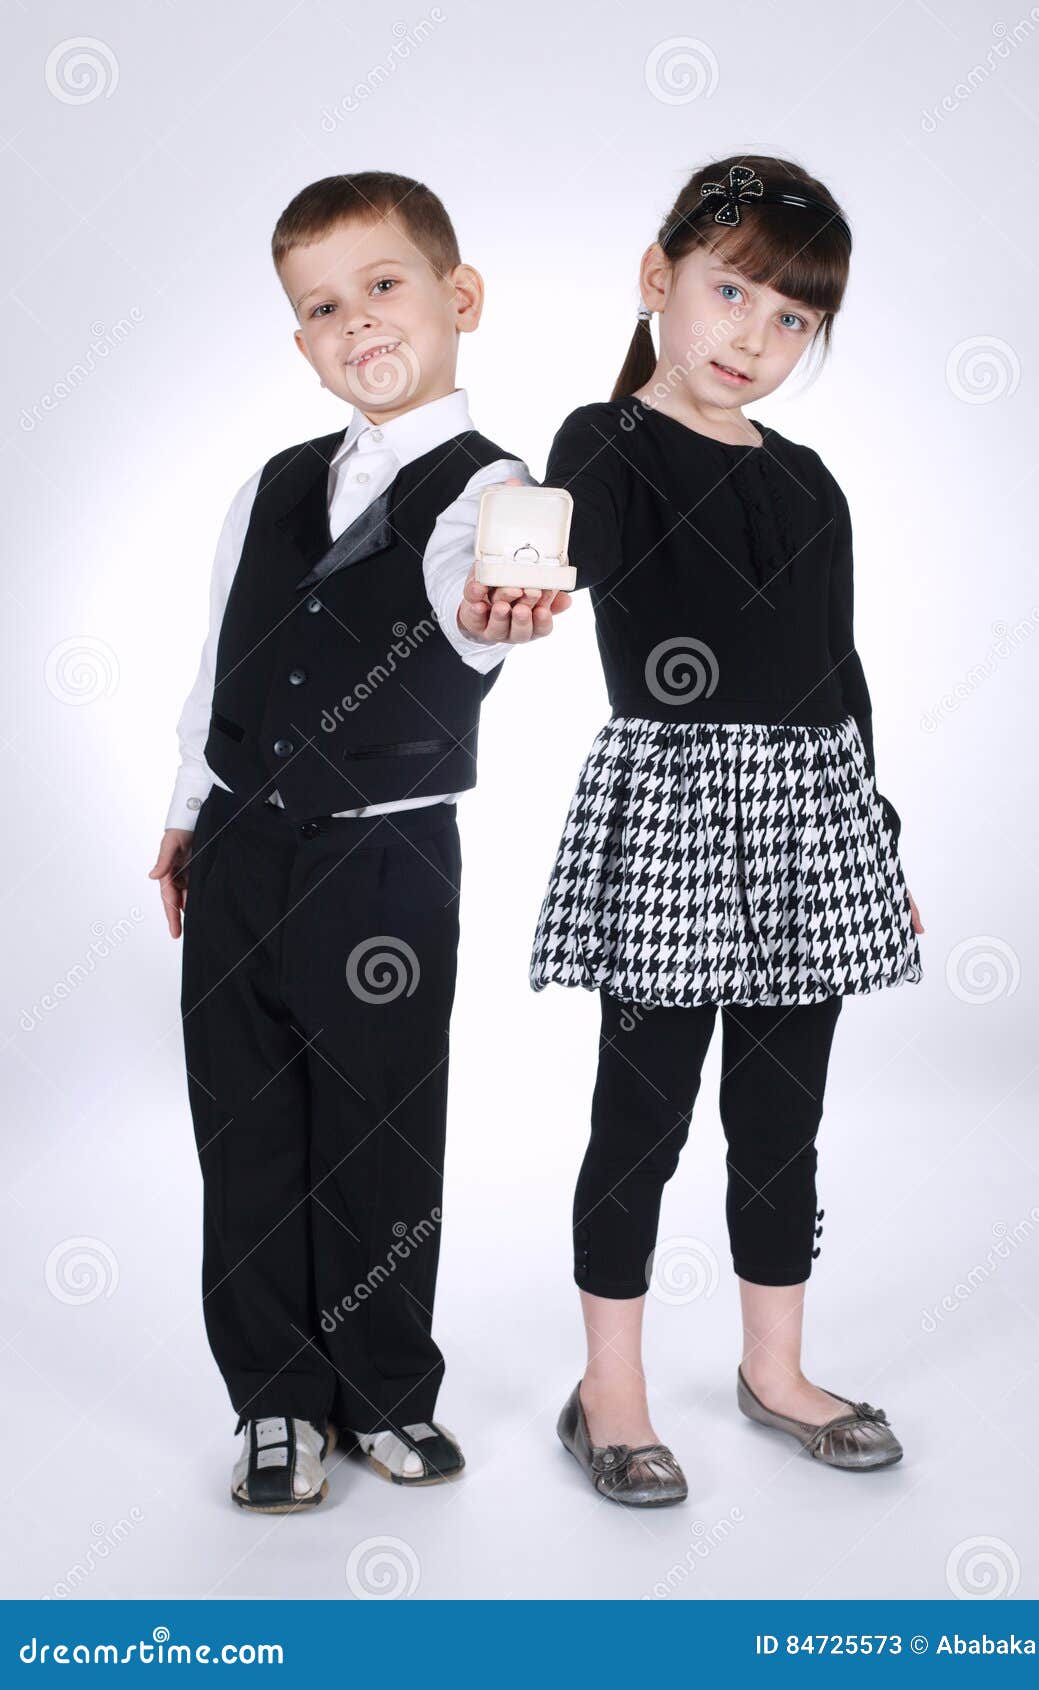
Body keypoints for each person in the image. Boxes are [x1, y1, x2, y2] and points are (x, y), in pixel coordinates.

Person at [463, 155, 924, 1506]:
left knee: (780, 1120)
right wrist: (511, 579)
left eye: (791, 318)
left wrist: (877, 842)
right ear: (658, 280)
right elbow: (559, 547)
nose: (752, 337)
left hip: (814, 818)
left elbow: (838, 673)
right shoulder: (604, 441)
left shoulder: (811, 482)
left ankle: (773, 1370)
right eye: (730, 291)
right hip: (673, 806)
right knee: (643, 1113)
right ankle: (608, 1390)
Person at [148, 171, 567, 1513]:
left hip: (383, 864)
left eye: (382, 285)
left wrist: (497, 616)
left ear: (459, 298)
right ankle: (276, 1399)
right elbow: (220, 653)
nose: (355, 322)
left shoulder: (491, 491)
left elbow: (479, 595)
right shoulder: (272, 484)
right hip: (238, 851)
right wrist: (179, 812)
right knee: (248, 1127)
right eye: (320, 306)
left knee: (380, 1132)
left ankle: (386, 1389)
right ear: (299, 339)